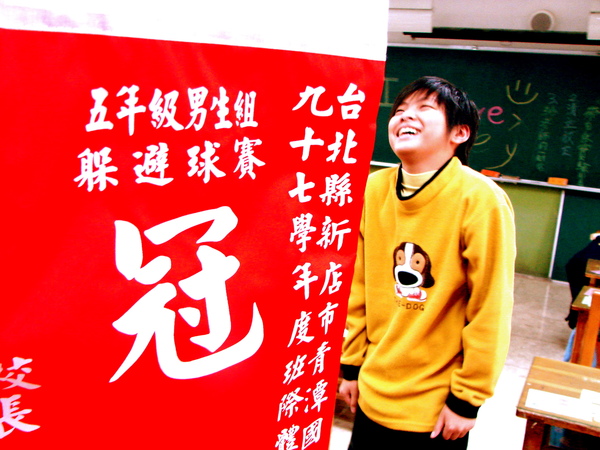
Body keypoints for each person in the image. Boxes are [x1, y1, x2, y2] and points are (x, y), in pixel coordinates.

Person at [339, 76, 516, 449]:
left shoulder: (481, 199)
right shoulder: (374, 188)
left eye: (424, 109)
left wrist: (467, 400)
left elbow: (491, 307)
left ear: (460, 133)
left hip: (435, 408)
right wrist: (351, 366)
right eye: (400, 110)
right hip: (372, 389)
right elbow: (359, 285)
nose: (406, 116)